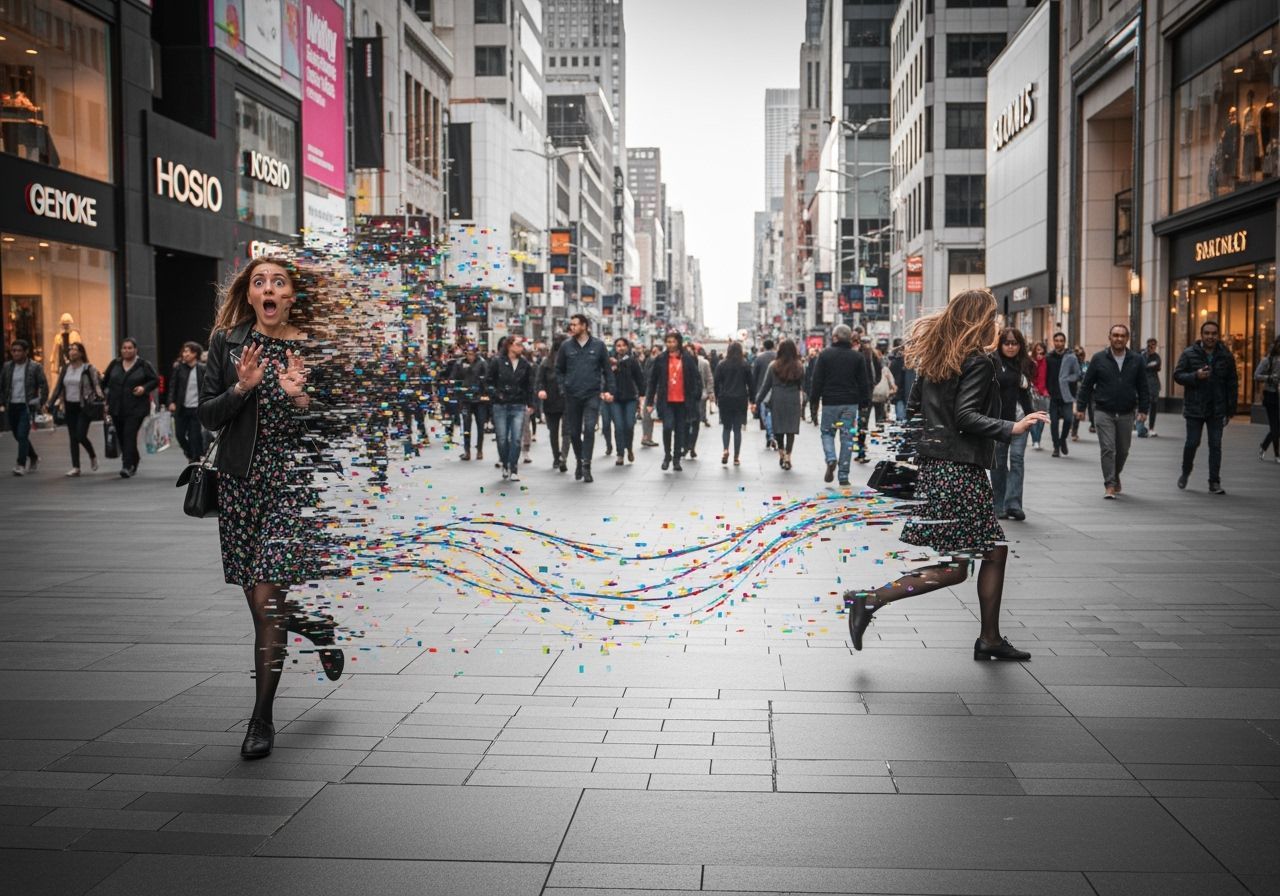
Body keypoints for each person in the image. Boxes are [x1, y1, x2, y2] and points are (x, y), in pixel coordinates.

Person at [846, 289, 1048, 660]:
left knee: (985, 554)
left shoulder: (936, 359)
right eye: (992, 317)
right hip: (959, 470)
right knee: (964, 564)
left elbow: (914, 410)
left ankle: (989, 637)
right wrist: (1012, 427)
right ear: (979, 320)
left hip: (938, 468)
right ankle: (871, 599)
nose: (996, 324)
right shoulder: (978, 361)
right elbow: (966, 416)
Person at [200, 256, 343, 760]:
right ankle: (315, 627)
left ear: (291, 296)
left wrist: (301, 399)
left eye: (278, 282)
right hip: (241, 485)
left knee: (266, 605)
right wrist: (243, 387)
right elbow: (207, 414)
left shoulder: (312, 347)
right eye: (259, 281)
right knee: (265, 607)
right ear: (251, 293)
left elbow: (337, 426)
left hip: (290, 488)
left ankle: (261, 719)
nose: (268, 288)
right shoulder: (228, 343)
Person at [1075, 324, 1150, 499]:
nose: (1118, 339)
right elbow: (1086, 385)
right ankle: (1109, 484)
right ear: (1109, 337)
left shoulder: (1136, 359)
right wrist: (1080, 408)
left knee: (1123, 450)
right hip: (1103, 411)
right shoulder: (1099, 358)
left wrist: (1144, 410)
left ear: (1127, 338)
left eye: (1122, 336)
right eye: (1115, 335)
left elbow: (1143, 387)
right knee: (1108, 449)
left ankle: (1115, 475)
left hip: (1126, 412)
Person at [1174, 319, 1238, 494]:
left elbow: (1232, 383)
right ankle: (1186, 471)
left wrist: (1230, 409)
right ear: (1201, 335)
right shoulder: (1189, 354)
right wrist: (1195, 376)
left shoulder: (1226, 355)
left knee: (1215, 445)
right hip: (1195, 407)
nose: (1210, 336)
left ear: (1218, 335)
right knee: (1192, 443)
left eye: (1214, 334)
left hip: (1217, 409)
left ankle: (1214, 482)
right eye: (1207, 333)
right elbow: (1177, 375)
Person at [555, 314, 615, 483]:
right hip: (572, 395)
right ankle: (579, 461)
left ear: (584, 326)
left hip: (592, 394)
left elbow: (607, 370)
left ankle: (586, 465)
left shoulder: (599, 345)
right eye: (571, 324)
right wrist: (562, 387)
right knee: (573, 432)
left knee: (589, 428)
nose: (571, 327)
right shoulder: (566, 347)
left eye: (575, 325)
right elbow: (559, 369)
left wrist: (610, 390)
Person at [809, 324, 872, 487]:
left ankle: (831, 458)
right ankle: (843, 474)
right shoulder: (856, 357)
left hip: (830, 402)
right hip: (850, 404)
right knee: (847, 438)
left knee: (827, 433)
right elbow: (863, 382)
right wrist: (865, 402)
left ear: (835, 337)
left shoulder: (824, 355)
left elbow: (817, 381)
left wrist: (814, 401)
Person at [991, 328, 1035, 519]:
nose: (1010, 347)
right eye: (1007, 343)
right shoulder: (993, 362)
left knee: (1017, 460)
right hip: (1000, 421)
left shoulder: (1025, 363)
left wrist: (1032, 415)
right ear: (1000, 344)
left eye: (1014, 343)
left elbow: (1027, 392)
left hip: (1021, 419)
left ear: (1020, 345)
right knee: (999, 462)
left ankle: (1014, 504)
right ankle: (999, 504)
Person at [101, 338, 159, 479]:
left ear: (135, 350)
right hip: (116, 407)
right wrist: (105, 398)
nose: (126, 351)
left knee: (129, 435)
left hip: (136, 408)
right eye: (124, 348)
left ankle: (127, 466)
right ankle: (135, 458)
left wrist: (143, 388)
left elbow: (155, 380)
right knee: (121, 436)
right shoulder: (115, 364)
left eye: (129, 348)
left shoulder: (143, 365)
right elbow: (104, 382)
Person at [644, 331, 700, 472]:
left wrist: (696, 397)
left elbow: (696, 379)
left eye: (673, 341)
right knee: (667, 427)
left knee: (680, 430)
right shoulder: (661, 359)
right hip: (666, 400)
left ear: (678, 343)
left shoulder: (688, 359)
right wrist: (649, 401)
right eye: (668, 342)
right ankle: (667, 455)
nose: (670, 344)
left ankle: (676, 459)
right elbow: (653, 381)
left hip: (683, 401)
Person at [47, 342, 103, 476]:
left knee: (80, 435)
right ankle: (76, 467)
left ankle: (92, 455)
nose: (71, 351)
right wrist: (50, 402)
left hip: (84, 406)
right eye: (70, 349)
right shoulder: (65, 368)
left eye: (74, 349)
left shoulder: (88, 368)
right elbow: (59, 387)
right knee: (73, 437)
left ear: (81, 353)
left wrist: (103, 400)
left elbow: (97, 386)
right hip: (69, 405)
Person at [486, 334, 534, 482]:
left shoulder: (525, 364)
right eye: (518, 344)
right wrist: (496, 395)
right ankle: (505, 464)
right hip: (500, 405)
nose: (521, 347)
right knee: (501, 438)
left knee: (516, 439)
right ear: (509, 346)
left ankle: (513, 467)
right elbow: (488, 382)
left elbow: (529, 385)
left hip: (518, 405)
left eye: (521, 345)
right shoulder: (497, 362)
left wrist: (531, 404)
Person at [755, 338, 805, 470]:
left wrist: (758, 400)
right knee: (790, 430)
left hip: (777, 399)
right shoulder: (799, 366)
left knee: (779, 429)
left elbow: (766, 386)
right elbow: (802, 385)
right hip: (793, 399)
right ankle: (788, 456)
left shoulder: (773, 365)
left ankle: (781, 453)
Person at [2, 339, 50, 475]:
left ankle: (20, 464)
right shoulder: (7, 367)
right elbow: (2, 385)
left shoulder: (35, 367)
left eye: (18, 351)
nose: (15, 353)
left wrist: (40, 401)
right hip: (11, 405)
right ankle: (33, 456)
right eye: (13, 351)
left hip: (26, 406)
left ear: (26, 352)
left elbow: (43, 385)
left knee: (22, 434)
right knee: (17, 435)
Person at [713, 341, 754, 466]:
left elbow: (716, 383)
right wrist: (752, 399)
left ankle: (725, 449)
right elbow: (751, 384)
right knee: (737, 429)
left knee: (726, 427)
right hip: (740, 399)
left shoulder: (722, 364)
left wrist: (716, 397)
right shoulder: (745, 365)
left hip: (725, 399)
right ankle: (736, 457)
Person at [167, 341, 207, 463]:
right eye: (184, 351)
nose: (184, 354)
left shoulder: (202, 369)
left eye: (187, 351)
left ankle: (195, 459)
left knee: (195, 436)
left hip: (196, 408)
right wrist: (171, 402)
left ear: (195, 354)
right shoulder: (179, 368)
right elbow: (173, 386)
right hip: (181, 407)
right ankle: (190, 452)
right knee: (179, 435)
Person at [609, 337, 645, 465]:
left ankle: (629, 447)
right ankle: (620, 454)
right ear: (615, 347)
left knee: (629, 425)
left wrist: (642, 395)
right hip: (615, 399)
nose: (621, 348)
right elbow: (604, 377)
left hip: (630, 398)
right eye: (618, 345)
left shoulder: (633, 361)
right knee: (618, 426)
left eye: (623, 345)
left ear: (627, 347)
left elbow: (640, 379)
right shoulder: (610, 361)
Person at [536, 335, 569, 471]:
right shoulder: (546, 362)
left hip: (564, 400)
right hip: (553, 400)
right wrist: (541, 390)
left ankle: (560, 458)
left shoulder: (569, 361)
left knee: (560, 431)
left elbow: (539, 382)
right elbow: (539, 381)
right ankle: (560, 457)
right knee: (559, 431)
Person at [451, 347, 487, 461]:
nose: (470, 356)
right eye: (468, 354)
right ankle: (467, 451)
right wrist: (458, 392)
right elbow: (454, 378)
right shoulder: (460, 363)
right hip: (465, 399)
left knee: (480, 424)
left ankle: (479, 450)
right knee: (466, 425)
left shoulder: (482, 363)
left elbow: (487, 379)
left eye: (472, 354)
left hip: (479, 399)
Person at [1046, 332, 1072, 456]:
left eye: (1061, 341)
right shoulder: (1049, 357)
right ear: (1053, 342)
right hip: (1053, 395)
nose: (1059, 343)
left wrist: (1067, 379)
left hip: (1066, 395)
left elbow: (1077, 374)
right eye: (1056, 340)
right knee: (1054, 423)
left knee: (1068, 419)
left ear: (1064, 342)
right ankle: (1056, 447)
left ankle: (1062, 440)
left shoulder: (1071, 357)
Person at [1256, 337, 1280, 463]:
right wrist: (1270, 378)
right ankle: (1277, 454)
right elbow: (1256, 375)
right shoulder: (1267, 360)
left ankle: (1265, 447)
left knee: (1277, 428)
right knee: (1275, 427)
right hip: (1272, 396)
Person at [751, 339, 777, 448]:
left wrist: (754, 396)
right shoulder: (778, 357)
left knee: (766, 414)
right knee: (774, 414)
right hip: (777, 389)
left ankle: (770, 435)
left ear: (764, 346)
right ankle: (771, 435)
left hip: (762, 390)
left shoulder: (759, 358)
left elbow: (754, 377)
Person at [1136, 338, 1162, 438]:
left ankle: (1151, 428)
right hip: (1143, 384)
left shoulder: (1156, 357)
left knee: (1153, 407)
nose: (1151, 347)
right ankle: (1140, 428)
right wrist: (1146, 355)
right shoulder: (1142, 355)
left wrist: (1148, 365)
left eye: (1153, 345)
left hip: (1154, 385)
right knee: (1141, 406)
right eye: (1150, 345)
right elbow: (1141, 366)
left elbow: (1157, 366)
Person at [639, 344, 661, 447]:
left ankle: (647, 437)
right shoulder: (651, 361)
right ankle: (646, 437)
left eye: (656, 352)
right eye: (653, 352)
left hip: (655, 391)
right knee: (648, 415)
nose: (654, 354)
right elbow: (648, 376)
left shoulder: (658, 361)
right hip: (651, 391)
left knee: (649, 415)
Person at [1028, 341, 1049, 449]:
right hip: (1033, 393)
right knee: (1033, 417)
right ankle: (1035, 440)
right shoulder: (1031, 362)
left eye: (1042, 350)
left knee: (1042, 418)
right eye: (1038, 349)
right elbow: (1029, 377)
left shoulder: (1047, 361)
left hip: (1044, 393)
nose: (1039, 352)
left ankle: (1038, 440)